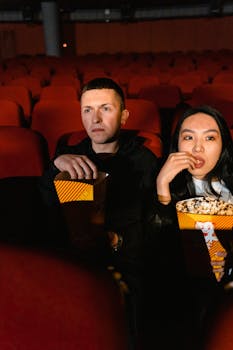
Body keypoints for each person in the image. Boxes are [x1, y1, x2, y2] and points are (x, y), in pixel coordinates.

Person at [38, 77, 159, 350]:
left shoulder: (144, 160)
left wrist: (118, 240)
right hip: (75, 260)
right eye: (87, 110)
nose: (95, 118)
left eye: (106, 108)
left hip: (127, 262)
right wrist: (55, 166)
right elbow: (47, 209)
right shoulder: (68, 155)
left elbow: (152, 222)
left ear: (124, 116)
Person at [150, 105, 233, 349]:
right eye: (188, 138)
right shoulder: (158, 182)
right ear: (177, 145)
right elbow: (155, 251)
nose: (198, 148)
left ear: (223, 145)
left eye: (209, 138)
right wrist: (163, 186)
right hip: (185, 295)